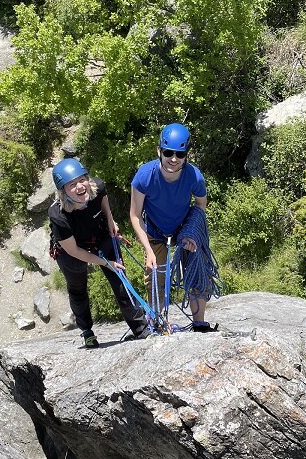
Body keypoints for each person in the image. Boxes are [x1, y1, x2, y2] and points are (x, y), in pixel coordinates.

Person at [49, 158, 148, 348]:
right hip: (71, 252)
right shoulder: (58, 216)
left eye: (82, 180)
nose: (79, 187)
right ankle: (87, 331)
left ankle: (141, 328)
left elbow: (103, 201)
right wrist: (104, 262)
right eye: (72, 184)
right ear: (63, 191)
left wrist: (111, 221)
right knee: (77, 288)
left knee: (120, 278)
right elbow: (74, 251)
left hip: (99, 234)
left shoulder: (97, 187)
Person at [130, 122, 215, 332]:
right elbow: (134, 215)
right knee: (155, 275)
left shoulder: (194, 177)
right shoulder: (144, 176)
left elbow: (200, 205)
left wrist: (191, 231)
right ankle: (157, 322)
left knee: (198, 267)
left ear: (186, 154)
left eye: (180, 154)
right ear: (159, 150)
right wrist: (148, 251)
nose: (173, 159)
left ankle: (200, 322)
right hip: (155, 231)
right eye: (168, 152)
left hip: (183, 229)